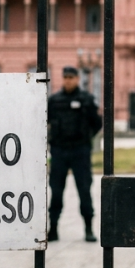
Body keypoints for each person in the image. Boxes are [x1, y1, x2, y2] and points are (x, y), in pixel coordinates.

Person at [47, 66, 102, 242]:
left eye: (71, 77)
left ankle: (88, 228)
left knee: (84, 189)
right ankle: (53, 228)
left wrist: (86, 138)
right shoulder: (54, 100)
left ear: (77, 79)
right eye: (65, 77)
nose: (68, 80)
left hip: (80, 151)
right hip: (59, 151)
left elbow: (97, 123)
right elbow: (44, 120)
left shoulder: (86, 99)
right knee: (56, 191)